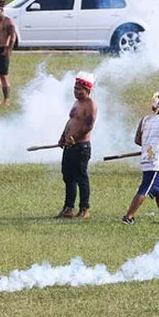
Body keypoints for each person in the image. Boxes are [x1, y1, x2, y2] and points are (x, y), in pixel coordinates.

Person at [122, 92, 159, 225]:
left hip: (146, 158)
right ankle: (128, 217)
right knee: (145, 187)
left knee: (158, 189)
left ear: (153, 107)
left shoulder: (144, 120)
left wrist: (148, 146)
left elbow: (138, 140)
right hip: (156, 160)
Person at [55, 72, 98, 219]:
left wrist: (74, 137)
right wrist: (63, 137)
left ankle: (84, 209)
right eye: (75, 88)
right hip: (69, 146)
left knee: (81, 177)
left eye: (79, 89)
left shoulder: (90, 105)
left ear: (87, 90)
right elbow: (71, 121)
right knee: (68, 177)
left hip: (81, 147)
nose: (76, 91)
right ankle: (68, 208)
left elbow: (89, 125)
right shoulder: (76, 103)